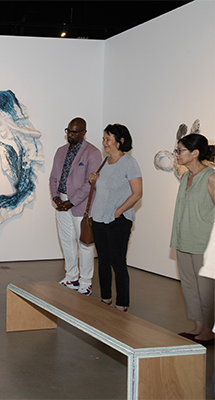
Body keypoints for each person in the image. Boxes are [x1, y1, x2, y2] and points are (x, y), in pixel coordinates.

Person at [89, 124, 142, 312]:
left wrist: (119, 211)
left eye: (107, 139)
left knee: (118, 262)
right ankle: (105, 299)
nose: (104, 143)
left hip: (118, 220)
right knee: (102, 260)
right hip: (99, 219)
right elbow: (105, 192)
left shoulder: (129, 163)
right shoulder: (104, 162)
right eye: (103, 139)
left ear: (120, 141)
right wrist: (94, 181)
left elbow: (137, 193)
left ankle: (122, 303)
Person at [170, 133, 215, 344]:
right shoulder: (185, 177)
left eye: (180, 150)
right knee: (189, 284)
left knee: (205, 289)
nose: (176, 154)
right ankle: (198, 327)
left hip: (203, 243)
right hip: (183, 239)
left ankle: (208, 330)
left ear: (195, 153)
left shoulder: (211, 177)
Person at [49, 117, 102, 295]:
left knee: (85, 243)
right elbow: (53, 178)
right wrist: (56, 198)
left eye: (74, 132)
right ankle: (71, 277)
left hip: (80, 205)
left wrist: (71, 202)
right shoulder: (60, 151)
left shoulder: (92, 153)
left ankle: (86, 282)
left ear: (84, 133)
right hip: (61, 203)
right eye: (68, 131)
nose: (70, 135)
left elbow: (90, 184)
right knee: (67, 241)